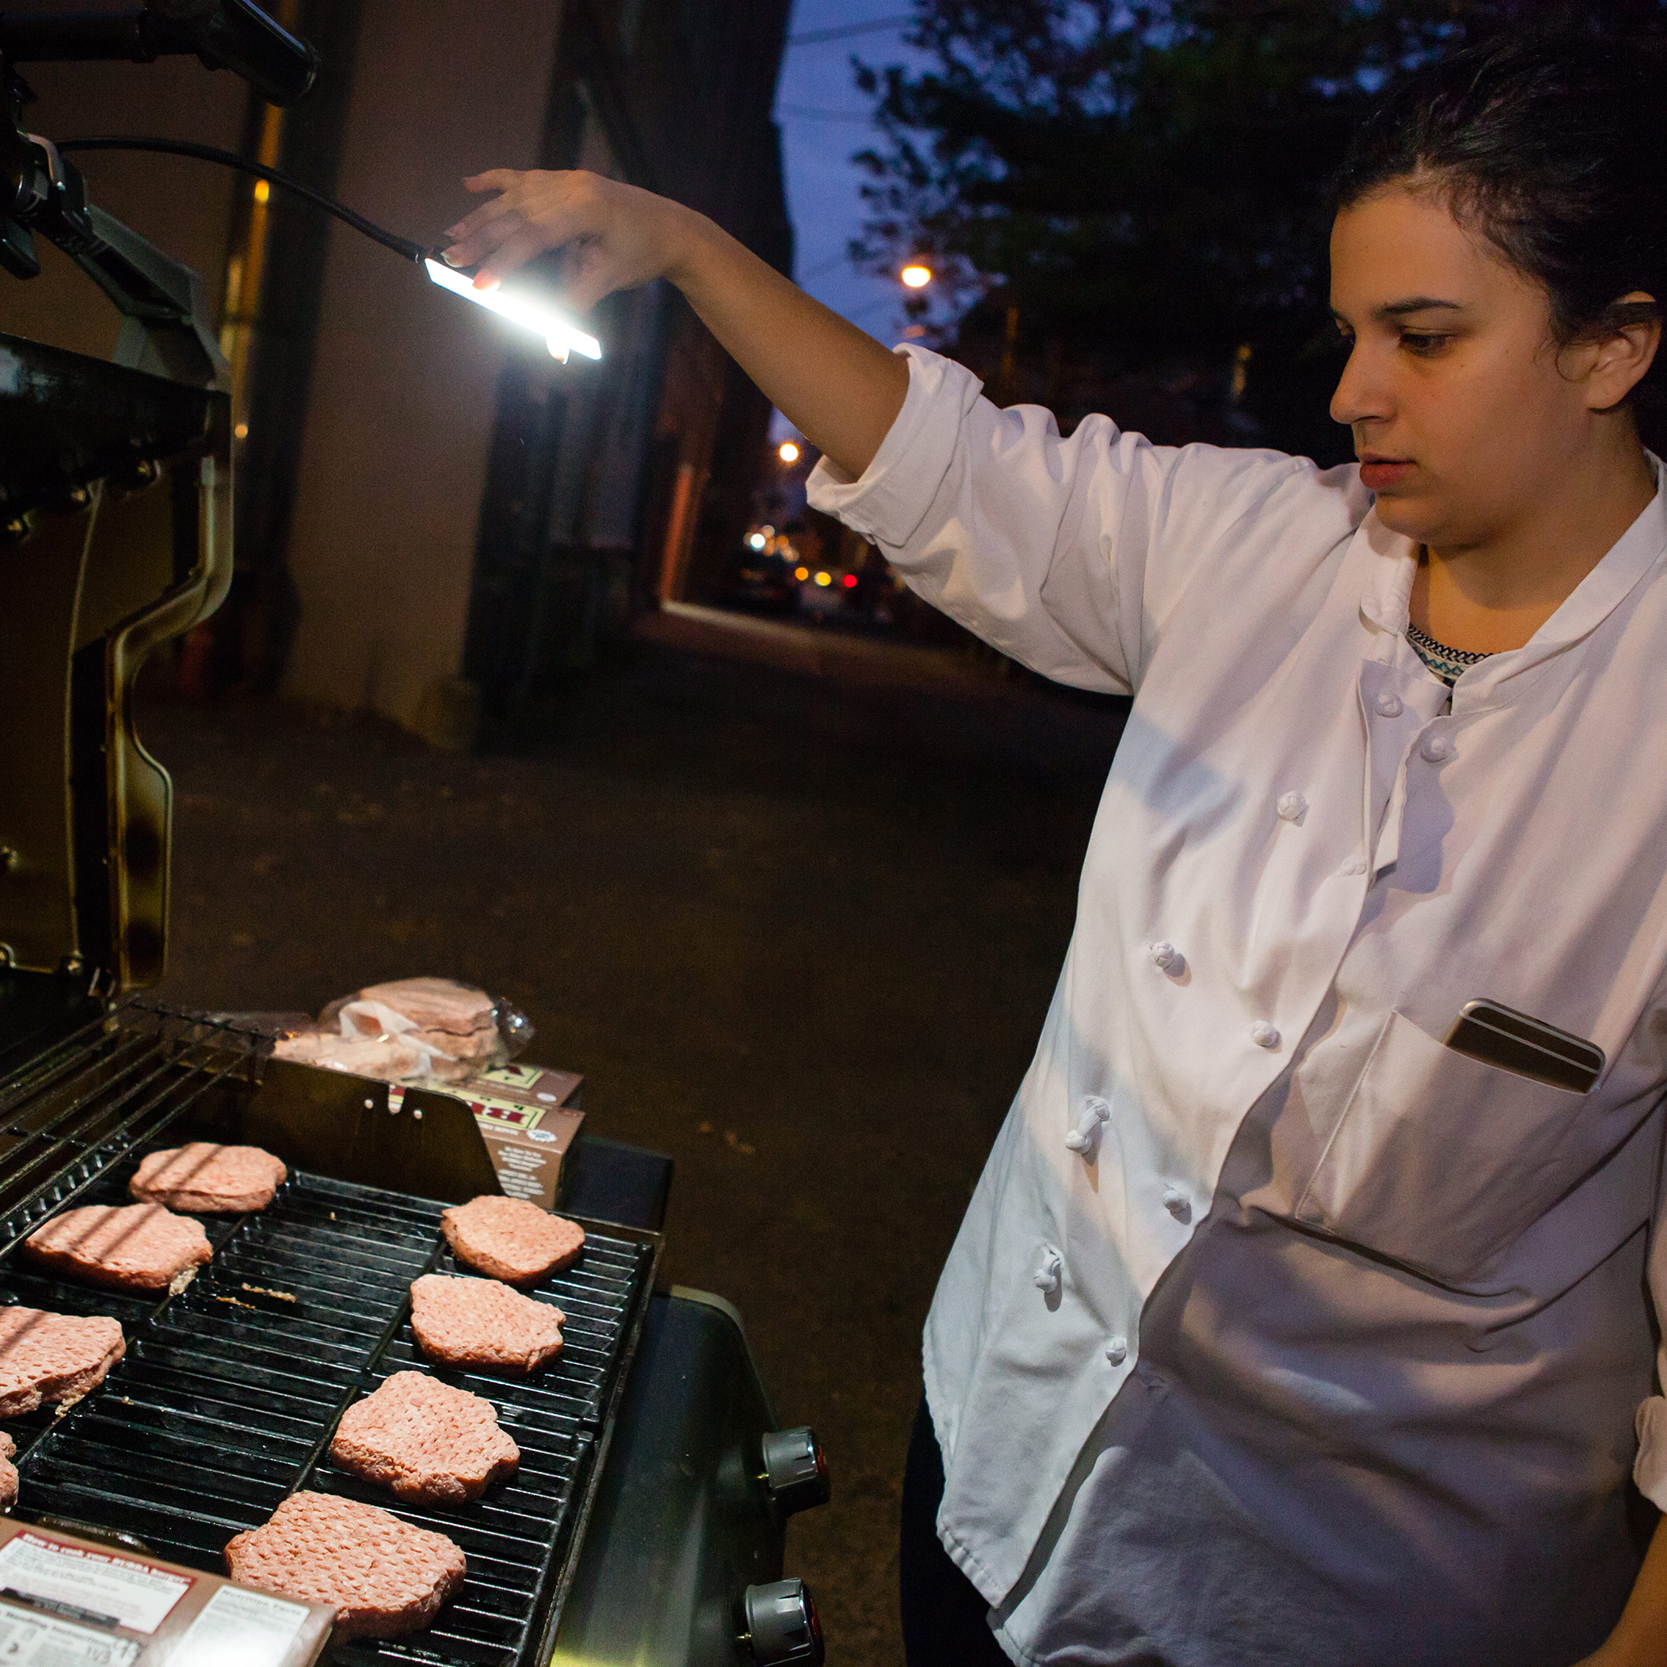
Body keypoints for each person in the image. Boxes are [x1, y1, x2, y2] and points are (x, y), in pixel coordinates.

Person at [443, 32, 1667, 1666]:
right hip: (1002, 1464)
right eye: (1353, 331)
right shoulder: (1255, 542)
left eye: (1425, 338)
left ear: (1614, 347)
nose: (1353, 390)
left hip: (1323, 1602)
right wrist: (679, 243)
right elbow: (956, 466)